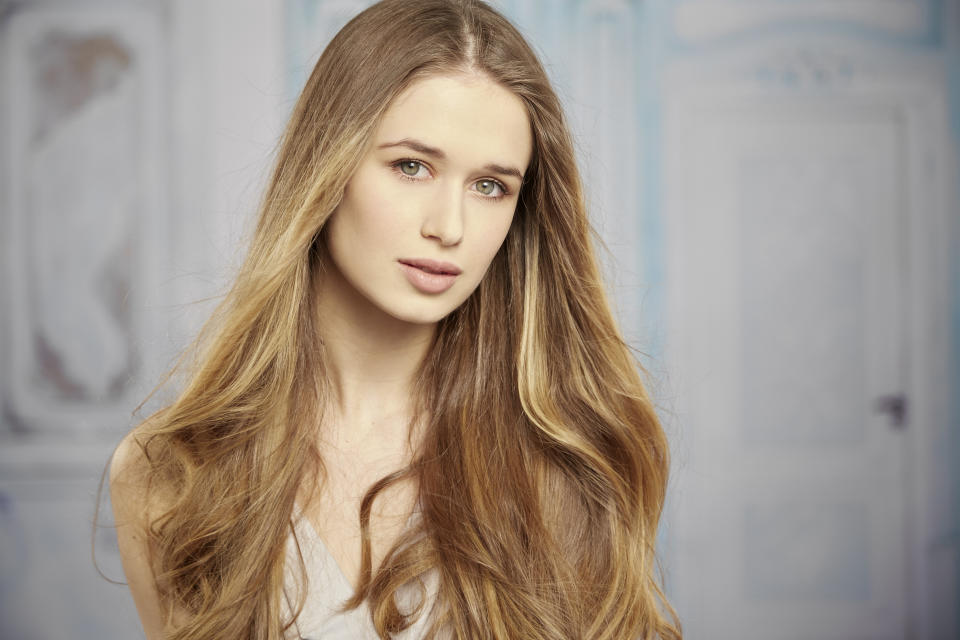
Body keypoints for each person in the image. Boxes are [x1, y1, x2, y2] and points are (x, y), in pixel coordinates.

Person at [109, 0, 681, 638]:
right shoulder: (171, 472)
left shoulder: (570, 463)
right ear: (327, 167)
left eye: (490, 186)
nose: (449, 227)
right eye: (412, 166)